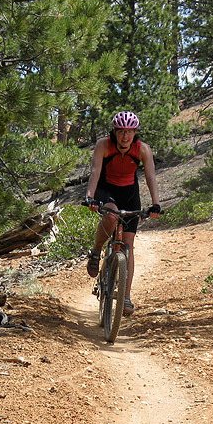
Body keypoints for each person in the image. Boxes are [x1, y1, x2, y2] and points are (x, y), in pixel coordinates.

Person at [84, 111, 161, 317]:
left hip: (129, 193)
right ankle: (96, 250)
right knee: (111, 216)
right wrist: (90, 197)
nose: (125, 137)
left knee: (128, 244)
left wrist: (155, 204)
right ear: (115, 132)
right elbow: (95, 172)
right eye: (121, 132)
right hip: (106, 189)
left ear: (135, 133)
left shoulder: (142, 149)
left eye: (129, 132)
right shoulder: (104, 145)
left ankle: (125, 296)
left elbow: (151, 176)